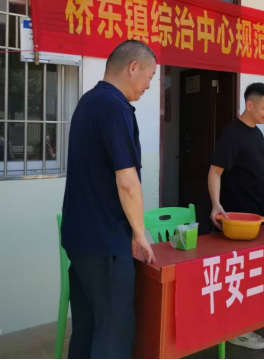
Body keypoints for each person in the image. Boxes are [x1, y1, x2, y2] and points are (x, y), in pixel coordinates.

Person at [61, 41, 157, 359]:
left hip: (80, 241)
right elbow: (127, 182)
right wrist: (139, 233)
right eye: (150, 76)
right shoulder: (115, 108)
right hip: (106, 243)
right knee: (112, 334)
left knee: (87, 329)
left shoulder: (89, 102)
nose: (148, 85)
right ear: (133, 67)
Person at [208, 82, 264, 351]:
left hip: (256, 216)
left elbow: (253, 164)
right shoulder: (231, 133)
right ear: (249, 104)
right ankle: (234, 330)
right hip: (236, 218)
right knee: (236, 276)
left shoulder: (256, 133)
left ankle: (244, 323)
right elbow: (215, 171)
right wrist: (216, 204)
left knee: (252, 273)